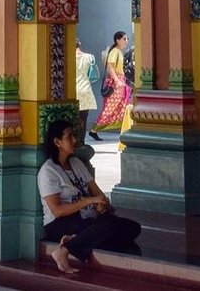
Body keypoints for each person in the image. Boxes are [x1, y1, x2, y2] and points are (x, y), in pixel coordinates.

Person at [38, 119, 141, 275]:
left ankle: (77, 239)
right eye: (69, 136)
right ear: (57, 142)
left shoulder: (76, 163)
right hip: (59, 224)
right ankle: (64, 251)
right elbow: (57, 211)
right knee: (108, 226)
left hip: (85, 219)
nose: (74, 140)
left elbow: (97, 193)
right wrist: (89, 201)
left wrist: (102, 203)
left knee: (133, 228)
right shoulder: (48, 171)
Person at [90, 31, 131, 138]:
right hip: (116, 83)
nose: (126, 41)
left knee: (121, 106)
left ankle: (123, 128)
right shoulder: (115, 52)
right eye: (124, 39)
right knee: (110, 107)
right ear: (117, 40)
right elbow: (110, 67)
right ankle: (94, 129)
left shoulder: (118, 52)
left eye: (127, 39)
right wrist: (117, 80)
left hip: (119, 81)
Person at [74, 41, 98, 145]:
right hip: (85, 90)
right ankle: (81, 142)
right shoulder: (89, 57)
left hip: (72, 91)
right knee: (83, 119)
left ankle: (73, 141)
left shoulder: (68, 58)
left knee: (72, 119)